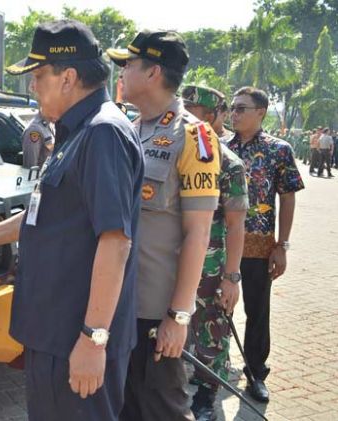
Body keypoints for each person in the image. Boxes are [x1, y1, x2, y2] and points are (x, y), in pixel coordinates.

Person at [0, 19, 143, 421]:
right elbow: (47, 214)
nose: (32, 86)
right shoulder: (75, 132)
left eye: (39, 75)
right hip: (55, 335)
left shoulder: (102, 134)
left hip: (76, 340)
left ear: (69, 78)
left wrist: (94, 340)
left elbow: (116, 242)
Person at [107, 30, 221, 421]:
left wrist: (179, 316)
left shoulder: (194, 136)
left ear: (153, 72)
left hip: (156, 314)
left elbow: (198, 233)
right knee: (124, 410)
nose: (121, 72)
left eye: (128, 64)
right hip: (117, 306)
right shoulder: (127, 129)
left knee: (163, 411)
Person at [227, 86, 304, 403]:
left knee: (257, 311)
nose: (235, 113)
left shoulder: (279, 150)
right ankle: (213, 369)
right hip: (221, 243)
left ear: (261, 112)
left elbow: (287, 198)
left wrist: (282, 245)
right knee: (217, 308)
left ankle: (255, 373)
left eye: (241, 108)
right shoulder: (220, 148)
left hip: (259, 246)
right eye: (232, 107)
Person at [182, 85, 249, 421]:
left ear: (209, 116)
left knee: (212, 328)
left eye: (191, 107)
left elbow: (237, 225)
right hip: (173, 259)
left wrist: (232, 277)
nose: (183, 112)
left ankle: (208, 393)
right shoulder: (175, 150)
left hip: (211, 265)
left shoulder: (229, 163)